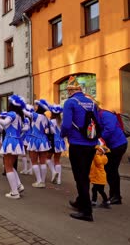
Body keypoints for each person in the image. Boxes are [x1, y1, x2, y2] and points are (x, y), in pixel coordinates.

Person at [61, 76, 99, 222]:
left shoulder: (70, 102)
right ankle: (80, 201)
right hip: (91, 143)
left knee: (80, 176)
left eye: (68, 90)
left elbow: (66, 125)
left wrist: (63, 135)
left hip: (77, 144)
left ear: (71, 90)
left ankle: (86, 211)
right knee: (85, 174)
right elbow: (98, 121)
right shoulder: (91, 102)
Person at [0, 95, 26, 199]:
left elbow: (4, 122)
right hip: (17, 141)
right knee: (11, 165)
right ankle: (18, 185)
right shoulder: (20, 116)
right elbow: (7, 126)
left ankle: (14, 192)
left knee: (8, 166)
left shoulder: (12, 114)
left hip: (10, 141)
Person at [98, 107, 129, 205]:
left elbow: (109, 129)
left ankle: (116, 196)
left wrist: (100, 138)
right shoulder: (99, 115)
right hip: (113, 145)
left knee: (112, 170)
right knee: (110, 170)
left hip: (118, 145)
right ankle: (114, 195)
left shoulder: (105, 115)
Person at [23, 99, 51, 188]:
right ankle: (42, 181)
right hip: (44, 140)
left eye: (36, 105)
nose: (35, 106)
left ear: (39, 107)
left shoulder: (34, 115)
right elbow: (48, 130)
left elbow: (25, 112)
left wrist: (20, 105)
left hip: (34, 140)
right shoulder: (46, 118)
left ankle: (39, 181)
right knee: (43, 162)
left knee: (34, 161)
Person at [90, 143, 111, 209]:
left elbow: (98, 162)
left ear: (102, 152)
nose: (97, 151)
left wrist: (96, 155)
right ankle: (105, 201)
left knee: (97, 190)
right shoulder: (102, 157)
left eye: (98, 150)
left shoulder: (99, 158)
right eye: (97, 150)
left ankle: (96, 201)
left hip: (99, 177)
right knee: (98, 190)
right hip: (100, 177)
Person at [49, 104, 65, 185]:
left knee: (47, 158)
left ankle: (54, 172)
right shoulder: (62, 121)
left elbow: (51, 132)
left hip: (53, 142)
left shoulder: (51, 121)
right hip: (61, 142)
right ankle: (58, 180)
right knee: (57, 160)